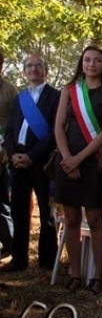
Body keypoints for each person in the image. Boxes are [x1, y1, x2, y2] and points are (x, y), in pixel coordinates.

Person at [53, 45, 102, 293]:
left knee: (94, 219)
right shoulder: (69, 90)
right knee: (70, 219)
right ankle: (75, 273)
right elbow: (59, 127)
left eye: (97, 61)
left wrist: (78, 159)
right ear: (82, 63)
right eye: (87, 60)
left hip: (92, 162)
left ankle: (97, 276)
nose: (91, 64)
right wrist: (68, 159)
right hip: (66, 161)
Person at [0, 54, 60, 272]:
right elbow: (9, 130)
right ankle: (19, 259)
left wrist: (32, 156)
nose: (33, 69)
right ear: (24, 71)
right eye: (29, 66)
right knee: (18, 210)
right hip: (17, 160)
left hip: (41, 161)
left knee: (46, 212)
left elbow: (55, 132)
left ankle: (46, 261)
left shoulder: (56, 97)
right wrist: (13, 152)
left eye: (38, 66)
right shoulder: (20, 98)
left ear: (46, 70)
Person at [0, 51, 18, 258]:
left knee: (2, 201)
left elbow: (15, 124)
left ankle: (10, 244)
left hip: (2, 155)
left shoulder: (10, 90)